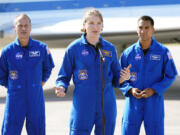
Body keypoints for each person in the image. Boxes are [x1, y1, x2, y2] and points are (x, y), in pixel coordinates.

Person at [54, 8, 130, 135]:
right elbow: (63, 76)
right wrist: (61, 87)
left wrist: (123, 77)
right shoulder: (74, 48)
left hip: (107, 105)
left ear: (102, 26)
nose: (95, 26)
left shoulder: (110, 48)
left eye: (98, 23)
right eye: (91, 23)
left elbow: (117, 79)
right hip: (83, 105)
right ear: (84, 25)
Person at [119, 15, 178, 135]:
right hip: (133, 103)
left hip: (154, 103)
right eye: (140, 27)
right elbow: (119, 77)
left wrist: (154, 89)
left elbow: (170, 75)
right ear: (136, 30)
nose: (143, 31)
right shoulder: (128, 53)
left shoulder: (163, 52)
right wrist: (130, 89)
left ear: (153, 30)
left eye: (147, 28)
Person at [0, 14, 54, 135]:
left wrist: (41, 82)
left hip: (35, 98)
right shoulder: (7, 51)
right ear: (15, 28)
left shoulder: (41, 48)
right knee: (10, 131)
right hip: (15, 99)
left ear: (30, 27)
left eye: (26, 26)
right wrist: (12, 87)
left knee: (37, 130)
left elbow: (48, 68)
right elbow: (1, 74)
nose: (23, 29)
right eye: (20, 26)